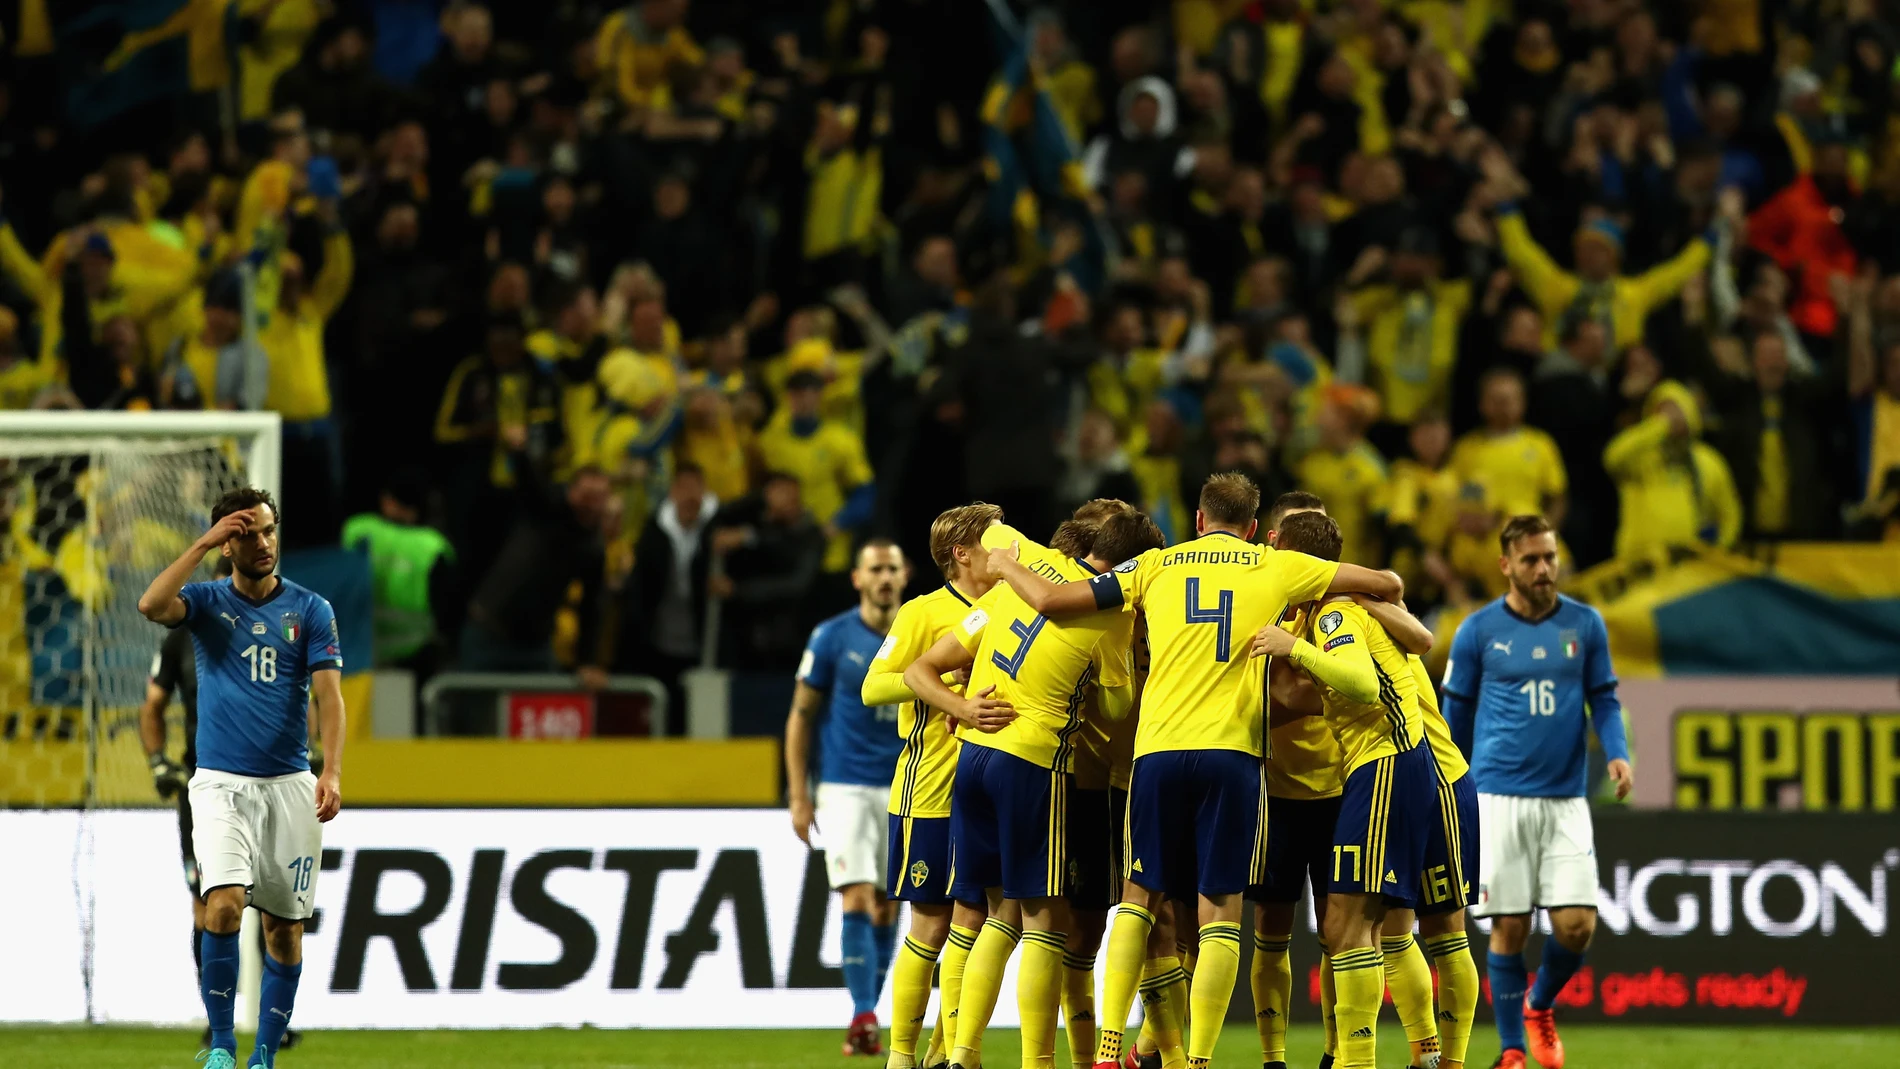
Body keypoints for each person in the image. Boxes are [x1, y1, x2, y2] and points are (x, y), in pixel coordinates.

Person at [990, 472, 1402, 1069]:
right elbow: (1387, 583)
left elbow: (1055, 601)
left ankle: (1108, 1048)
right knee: (1219, 913)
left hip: (1156, 753)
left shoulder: (1156, 564)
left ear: (1201, 518)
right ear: (1256, 528)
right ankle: (1201, 1059)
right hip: (1232, 755)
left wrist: (1007, 567)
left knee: (1138, 897)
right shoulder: (1276, 565)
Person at [903, 508, 1163, 1069]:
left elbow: (918, 670)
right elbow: (1118, 705)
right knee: (1046, 921)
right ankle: (1037, 1063)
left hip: (972, 758)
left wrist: (962, 706)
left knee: (998, 913)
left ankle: (961, 1054)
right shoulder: (1110, 613)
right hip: (1034, 765)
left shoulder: (1013, 572)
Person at [137, 488, 345, 1069]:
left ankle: (264, 1057)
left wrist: (330, 769)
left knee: (284, 931)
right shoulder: (203, 603)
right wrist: (201, 543)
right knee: (221, 907)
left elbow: (330, 697)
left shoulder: (311, 610)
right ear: (227, 544)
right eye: (248, 533)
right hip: (220, 786)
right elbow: (150, 604)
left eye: (269, 530)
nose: (263, 543)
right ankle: (223, 1046)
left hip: (290, 787)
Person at [1252, 510, 1458, 1069]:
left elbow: (1364, 685)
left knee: (1354, 925)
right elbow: (1418, 635)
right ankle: (1420, 1054)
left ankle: (1366, 1060)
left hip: (1381, 766)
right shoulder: (1343, 606)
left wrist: (1290, 649)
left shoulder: (1332, 614)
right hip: (1389, 766)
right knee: (1360, 925)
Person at [1442, 515, 1634, 1069]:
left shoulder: (1586, 624)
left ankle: (1540, 1004)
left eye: (1549, 557)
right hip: (1497, 794)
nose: (1544, 568)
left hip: (1566, 798)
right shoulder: (1478, 631)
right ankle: (1509, 1051)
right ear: (1506, 565)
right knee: (1510, 925)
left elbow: (1606, 697)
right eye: (1531, 559)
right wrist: (1452, 787)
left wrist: (1616, 750)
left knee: (1577, 926)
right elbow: (1454, 715)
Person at [859, 503, 1003, 1069]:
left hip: (984, 789)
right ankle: (900, 1057)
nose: (1006, 547)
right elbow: (874, 686)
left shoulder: (1010, 605)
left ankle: (945, 1054)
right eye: (993, 539)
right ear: (962, 553)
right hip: (930, 791)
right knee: (932, 923)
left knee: (977, 920)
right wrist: (947, 686)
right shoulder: (925, 612)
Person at [784, 540, 913, 1057]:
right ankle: (862, 1015)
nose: (884, 578)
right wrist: (799, 794)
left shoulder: (923, 631)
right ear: (857, 579)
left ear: (906, 577)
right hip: (844, 786)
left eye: (892, 569)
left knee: (888, 906)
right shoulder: (831, 637)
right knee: (857, 895)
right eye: (875, 570)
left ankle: (868, 1013)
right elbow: (801, 715)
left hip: (907, 783)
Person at [1244, 492, 1346, 1069]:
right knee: (1271, 927)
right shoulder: (1262, 598)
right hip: (1276, 792)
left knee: (1341, 932)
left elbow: (1309, 694)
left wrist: (1271, 704)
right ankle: (1273, 1058)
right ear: (1272, 539)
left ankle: (1337, 1053)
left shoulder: (1339, 605)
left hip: (1339, 789)